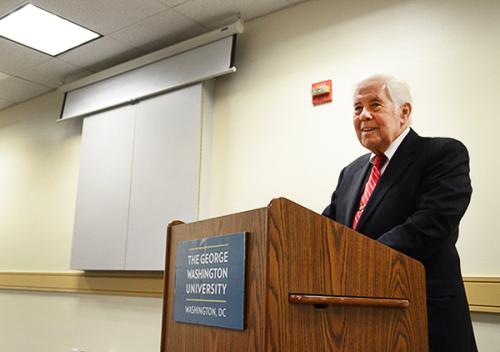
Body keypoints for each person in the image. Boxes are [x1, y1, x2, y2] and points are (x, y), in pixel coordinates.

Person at [322, 74, 477, 351]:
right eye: (357, 109)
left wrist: (355, 259)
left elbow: (429, 224)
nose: (364, 116)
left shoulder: (442, 154)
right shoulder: (351, 172)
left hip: (423, 318)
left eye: (375, 105)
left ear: (404, 112)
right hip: (359, 321)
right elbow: (326, 230)